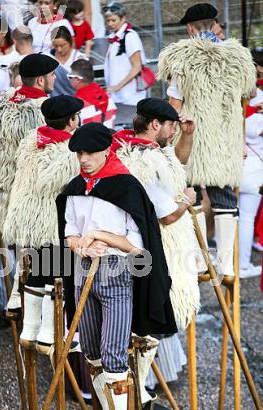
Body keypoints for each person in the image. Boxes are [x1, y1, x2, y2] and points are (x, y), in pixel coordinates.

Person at [56, 122, 177, 410]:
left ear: (106, 151)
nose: (84, 159)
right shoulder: (75, 189)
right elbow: (68, 233)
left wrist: (102, 237)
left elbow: (137, 244)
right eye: (79, 154)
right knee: (91, 352)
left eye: (89, 153)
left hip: (117, 277)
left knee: (113, 354)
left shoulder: (126, 187)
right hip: (83, 277)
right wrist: (81, 243)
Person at [158, 2, 257, 280]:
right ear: (215, 24)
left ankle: (201, 260)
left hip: (192, 137)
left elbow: (175, 104)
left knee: (189, 192)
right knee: (224, 197)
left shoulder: (182, 59)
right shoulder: (237, 58)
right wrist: (239, 141)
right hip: (225, 140)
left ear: (190, 28)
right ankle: (225, 264)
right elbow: (243, 100)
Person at [113, 98, 199, 384]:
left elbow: (179, 160)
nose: (174, 130)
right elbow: (168, 216)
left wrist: (187, 134)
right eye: (172, 125)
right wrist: (187, 200)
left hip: (147, 245)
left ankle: (158, 377)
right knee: (160, 309)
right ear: (154, 125)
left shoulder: (138, 150)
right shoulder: (147, 162)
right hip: (162, 245)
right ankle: (145, 385)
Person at [3, 95, 83, 348]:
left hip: (28, 220)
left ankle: (29, 331)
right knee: (56, 274)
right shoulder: (67, 149)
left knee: (38, 271)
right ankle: (48, 335)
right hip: (50, 221)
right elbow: (54, 181)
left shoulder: (33, 139)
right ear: (71, 120)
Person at [0, 53, 58, 316]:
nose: (54, 79)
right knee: (46, 266)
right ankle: (42, 319)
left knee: (23, 255)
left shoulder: (2, 106)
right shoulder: (44, 111)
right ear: (41, 80)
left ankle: (20, 295)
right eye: (51, 76)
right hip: (35, 199)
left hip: (6, 195)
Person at [239, 91, 263, 278]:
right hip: (255, 167)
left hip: (234, 163)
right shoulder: (259, 99)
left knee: (229, 216)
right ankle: (243, 265)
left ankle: (227, 262)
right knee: (247, 218)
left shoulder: (234, 96)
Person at [104, 2, 146, 107]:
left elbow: (137, 66)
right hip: (118, 94)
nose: (110, 24)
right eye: (108, 21)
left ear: (123, 19)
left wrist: (118, 86)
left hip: (130, 95)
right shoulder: (114, 38)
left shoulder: (130, 36)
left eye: (113, 20)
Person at [69, 58, 117, 127]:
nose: (70, 79)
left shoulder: (76, 105)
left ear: (77, 79)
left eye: (70, 77)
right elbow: (112, 125)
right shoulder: (109, 99)